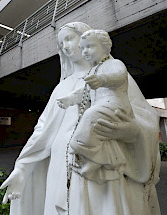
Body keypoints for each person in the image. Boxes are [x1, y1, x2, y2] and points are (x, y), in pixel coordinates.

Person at [0, 22, 161, 215]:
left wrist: (129, 131)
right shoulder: (61, 87)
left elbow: (144, 119)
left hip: (103, 171)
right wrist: (22, 168)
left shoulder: (111, 74)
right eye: (61, 44)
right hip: (61, 166)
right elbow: (42, 130)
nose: (66, 46)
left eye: (69, 39)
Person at [56, 29, 133, 184]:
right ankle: (95, 162)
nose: (84, 51)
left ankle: (95, 158)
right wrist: (70, 99)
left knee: (89, 117)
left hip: (116, 107)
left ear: (104, 47)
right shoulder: (93, 70)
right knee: (88, 129)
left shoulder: (113, 64)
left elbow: (119, 76)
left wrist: (103, 79)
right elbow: (84, 90)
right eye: (82, 48)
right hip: (101, 110)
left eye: (89, 47)